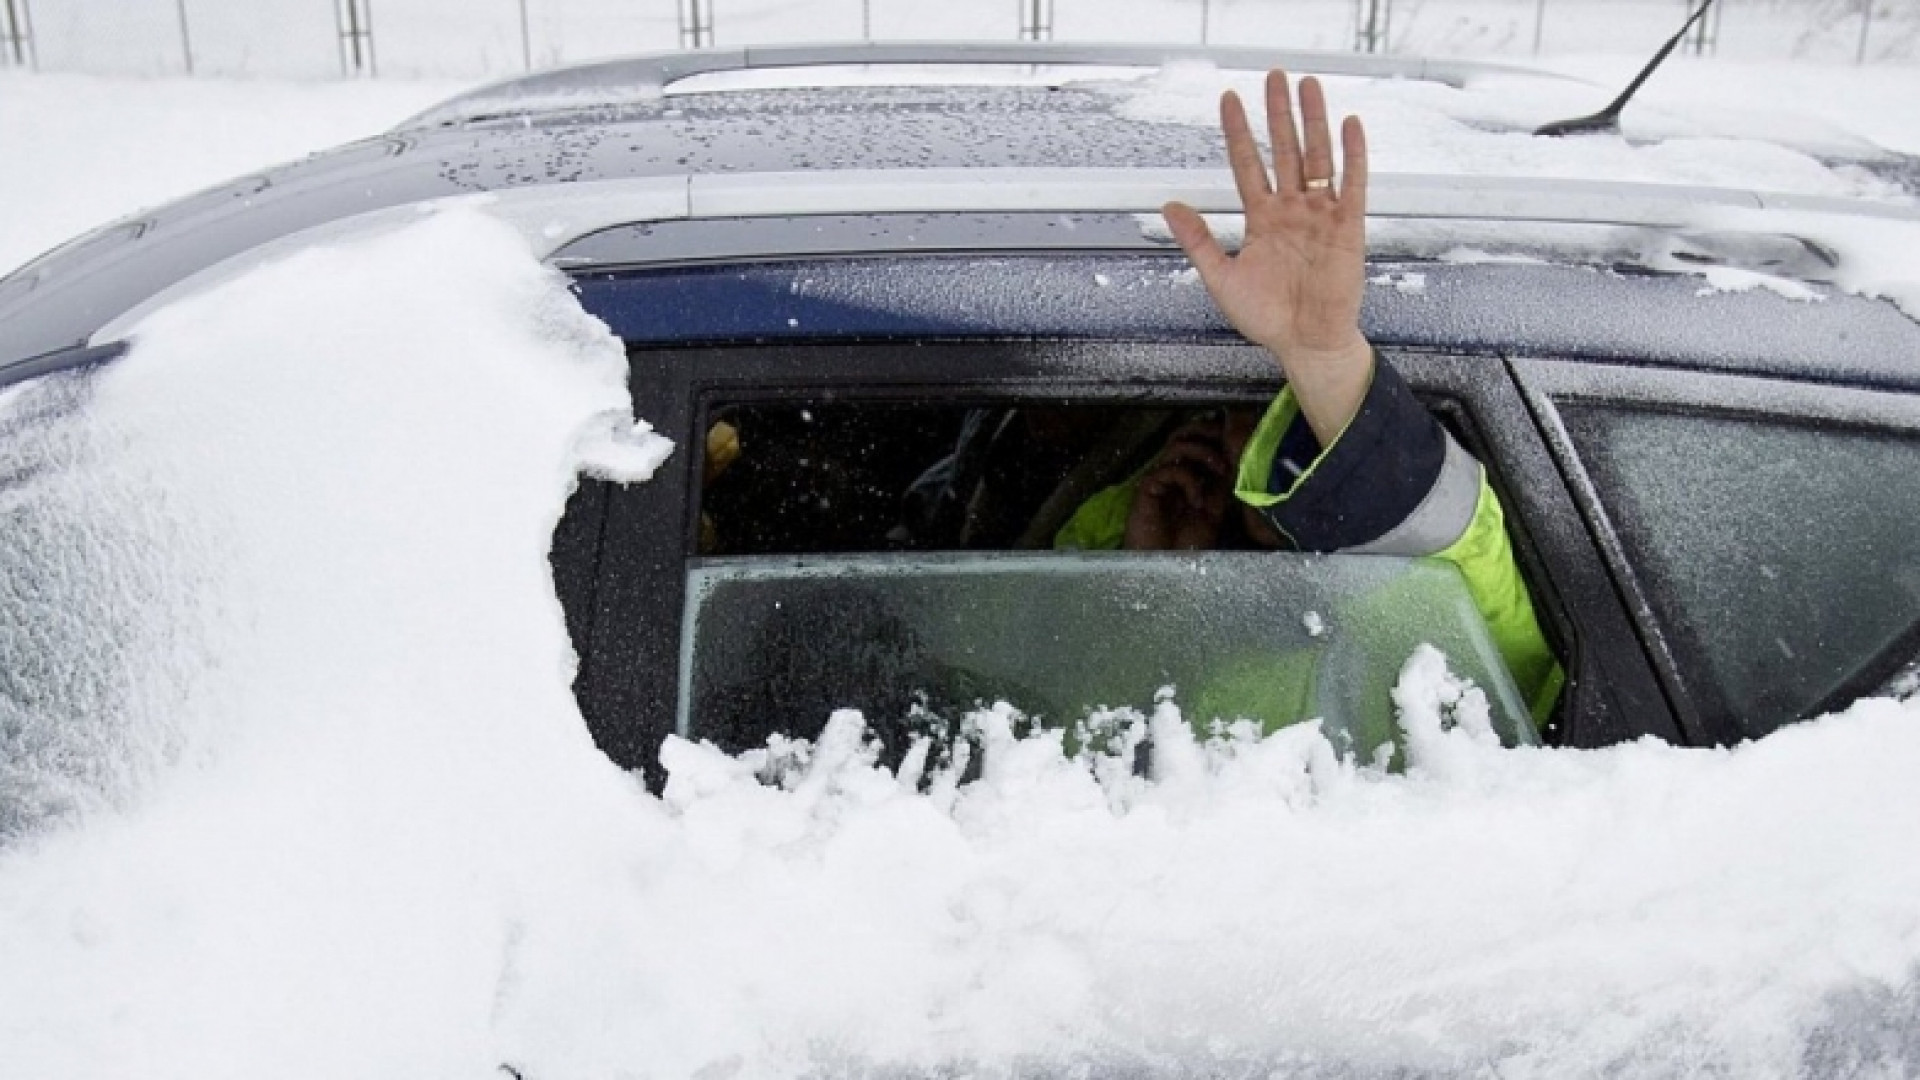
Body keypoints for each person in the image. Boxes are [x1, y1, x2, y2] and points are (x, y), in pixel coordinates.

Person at [1056, 70, 1563, 726]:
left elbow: (1456, 581)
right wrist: (1154, 590)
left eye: (1297, 428)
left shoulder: (1423, 630)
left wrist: (1321, 356)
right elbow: (1055, 741)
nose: (1283, 466)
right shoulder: (1111, 535)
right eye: (1246, 416)